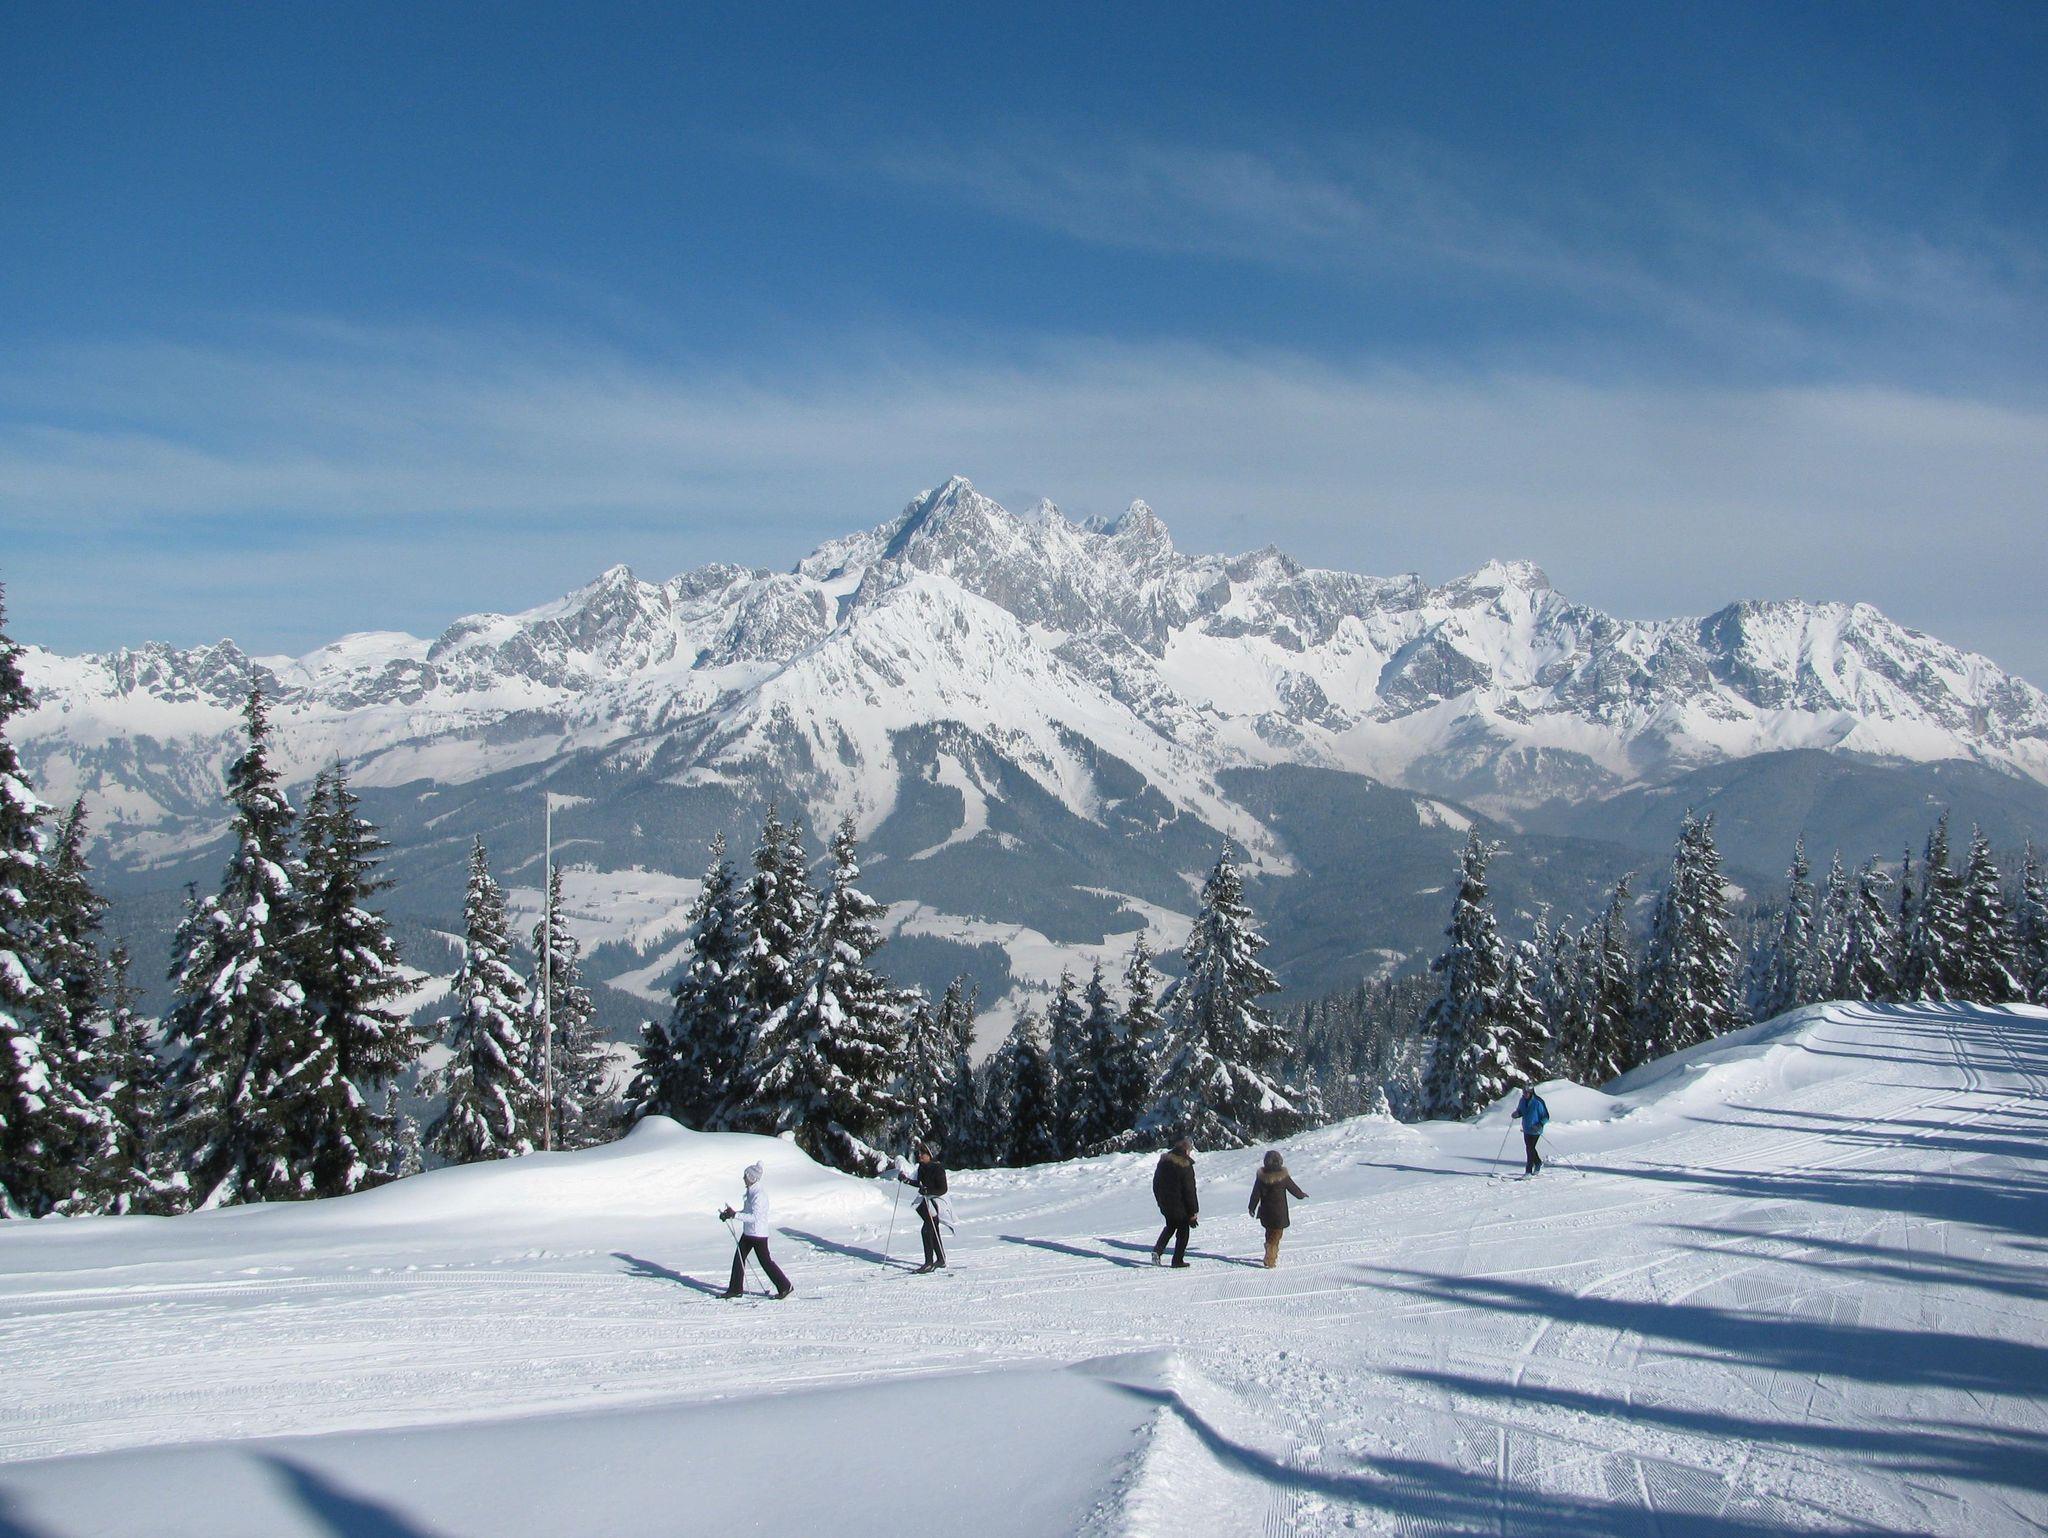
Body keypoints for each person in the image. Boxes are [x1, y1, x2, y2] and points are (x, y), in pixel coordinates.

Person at [719, 1162, 794, 1299]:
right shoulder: (751, 1192)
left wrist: (735, 1215)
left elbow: (754, 1218)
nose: (743, 1178)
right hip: (749, 1233)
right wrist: (731, 1213)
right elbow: (747, 1212)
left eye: (745, 1176)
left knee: (765, 1262)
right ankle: (735, 1289)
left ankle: (785, 1286)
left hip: (758, 1235)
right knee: (739, 1258)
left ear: (751, 1178)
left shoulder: (759, 1196)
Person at [896, 1141, 950, 1273]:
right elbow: (920, 1184)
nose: (920, 1155)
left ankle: (929, 1263)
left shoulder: (937, 1168)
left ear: (930, 1155)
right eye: (919, 1153)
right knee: (933, 1230)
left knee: (927, 1230)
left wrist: (928, 1191)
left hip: (937, 1203)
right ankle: (941, 1259)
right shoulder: (922, 1167)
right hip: (926, 1203)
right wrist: (906, 1180)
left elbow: (943, 1189)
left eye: (923, 1153)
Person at [1248, 1149, 1307, 1269]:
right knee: (1276, 1235)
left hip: (1265, 1212)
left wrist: (1251, 1207)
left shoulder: (1261, 1176)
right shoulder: (1283, 1176)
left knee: (1269, 1232)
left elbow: (1255, 1194)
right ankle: (1270, 1258)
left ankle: (1269, 1251)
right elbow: (1293, 1188)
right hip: (1279, 1213)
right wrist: (1301, 1195)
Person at [1150, 1137, 1199, 1267]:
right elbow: (1189, 1191)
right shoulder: (1185, 1165)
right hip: (1179, 1205)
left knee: (1171, 1226)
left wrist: (1160, 1201)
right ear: (1186, 1150)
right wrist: (1193, 1212)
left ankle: (1157, 1251)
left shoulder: (1163, 1162)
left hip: (1165, 1203)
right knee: (1183, 1231)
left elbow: (1155, 1184)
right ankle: (1177, 1260)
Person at [1513, 1083, 1550, 1176]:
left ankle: (1528, 1171)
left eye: (1527, 1092)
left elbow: (1546, 1116)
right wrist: (1517, 1114)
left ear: (1531, 1092)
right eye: (1524, 1092)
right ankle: (1537, 1162)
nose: (1525, 1094)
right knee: (1530, 1148)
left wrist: (1540, 1124)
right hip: (1526, 1128)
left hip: (1536, 1130)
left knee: (1530, 1149)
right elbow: (1521, 1111)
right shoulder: (1522, 1100)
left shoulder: (1538, 1102)